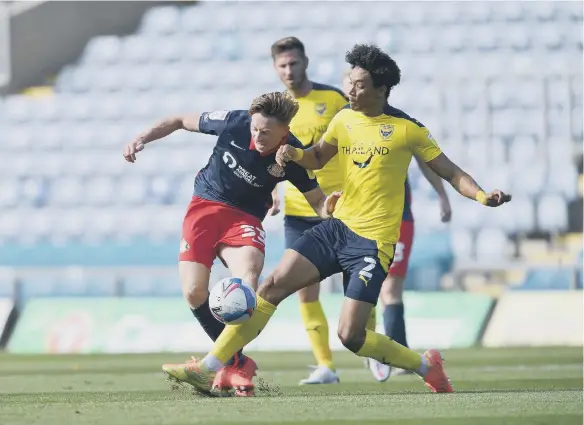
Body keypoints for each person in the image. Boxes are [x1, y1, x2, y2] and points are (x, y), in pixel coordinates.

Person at [162, 44, 511, 396]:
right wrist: (294, 154)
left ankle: (425, 366)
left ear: (381, 89)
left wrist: (482, 195)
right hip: (335, 229)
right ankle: (210, 368)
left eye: (360, 85)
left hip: (372, 244)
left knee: (351, 336)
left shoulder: (408, 129)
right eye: (350, 82)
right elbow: (316, 158)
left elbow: (450, 171)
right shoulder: (343, 118)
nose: (351, 90)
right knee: (270, 288)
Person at [123, 92, 338, 397]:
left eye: (266, 133)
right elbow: (178, 120)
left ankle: (223, 365)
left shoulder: (293, 155)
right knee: (194, 292)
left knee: (247, 282)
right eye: (255, 129)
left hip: (245, 219)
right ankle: (237, 363)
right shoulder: (235, 122)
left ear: (285, 130)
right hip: (205, 207)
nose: (258, 136)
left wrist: (332, 208)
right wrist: (140, 138)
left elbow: (318, 203)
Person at [340, 72, 453, 382]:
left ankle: (400, 353)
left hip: (397, 219)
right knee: (362, 288)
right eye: (349, 84)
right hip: (353, 220)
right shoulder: (343, 125)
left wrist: (442, 195)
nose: (352, 90)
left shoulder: (400, 127)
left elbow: (427, 160)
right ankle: (375, 344)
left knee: (391, 288)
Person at [270, 36, 348, 385]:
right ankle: (326, 365)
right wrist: (271, 190)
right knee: (304, 288)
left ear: (305, 62)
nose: (289, 70)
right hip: (298, 209)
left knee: (357, 281)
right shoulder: (276, 110)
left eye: (294, 63)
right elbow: (268, 154)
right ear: (276, 68)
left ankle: (373, 349)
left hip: (341, 206)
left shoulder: (333, 99)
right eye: (283, 65)